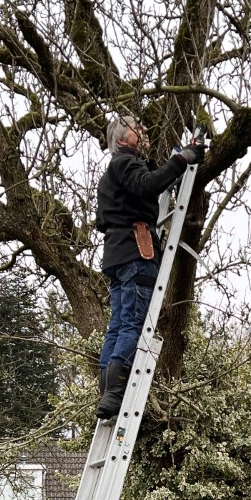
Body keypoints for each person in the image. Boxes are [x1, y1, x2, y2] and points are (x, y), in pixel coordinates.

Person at [93, 115, 206, 419]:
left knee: (117, 326)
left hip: (116, 256)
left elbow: (142, 189)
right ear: (120, 139)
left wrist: (171, 167)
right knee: (133, 324)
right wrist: (184, 158)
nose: (143, 131)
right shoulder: (125, 163)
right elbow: (148, 185)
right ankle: (117, 391)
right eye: (136, 128)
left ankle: (108, 392)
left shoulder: (112, 174)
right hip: (135, 252)